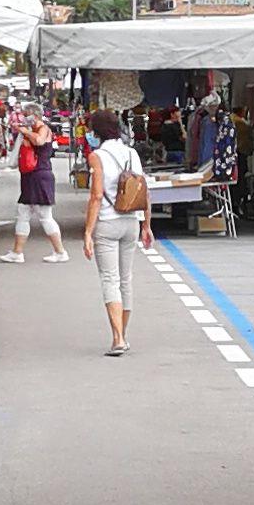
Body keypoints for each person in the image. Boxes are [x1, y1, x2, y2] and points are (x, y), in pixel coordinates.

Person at [84, 118, 152, 355]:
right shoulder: (132, 153)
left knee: (110, 280)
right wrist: (147, 225)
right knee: (126, 280)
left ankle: (118, 338)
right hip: (131, 222)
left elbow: (96, 196)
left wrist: (88, 232)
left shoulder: (97, 156)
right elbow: (144, 190)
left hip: (108, 223)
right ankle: (123, 334)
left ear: (97, 132)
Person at [5, 119, 65, 264]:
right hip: (32, 177)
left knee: (44, 216)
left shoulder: (43, 129)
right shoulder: (33, 131)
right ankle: (17, 252)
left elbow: (39, 141)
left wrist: (25, 131)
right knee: (24, 213)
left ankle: (60, 251)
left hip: (39, 177)